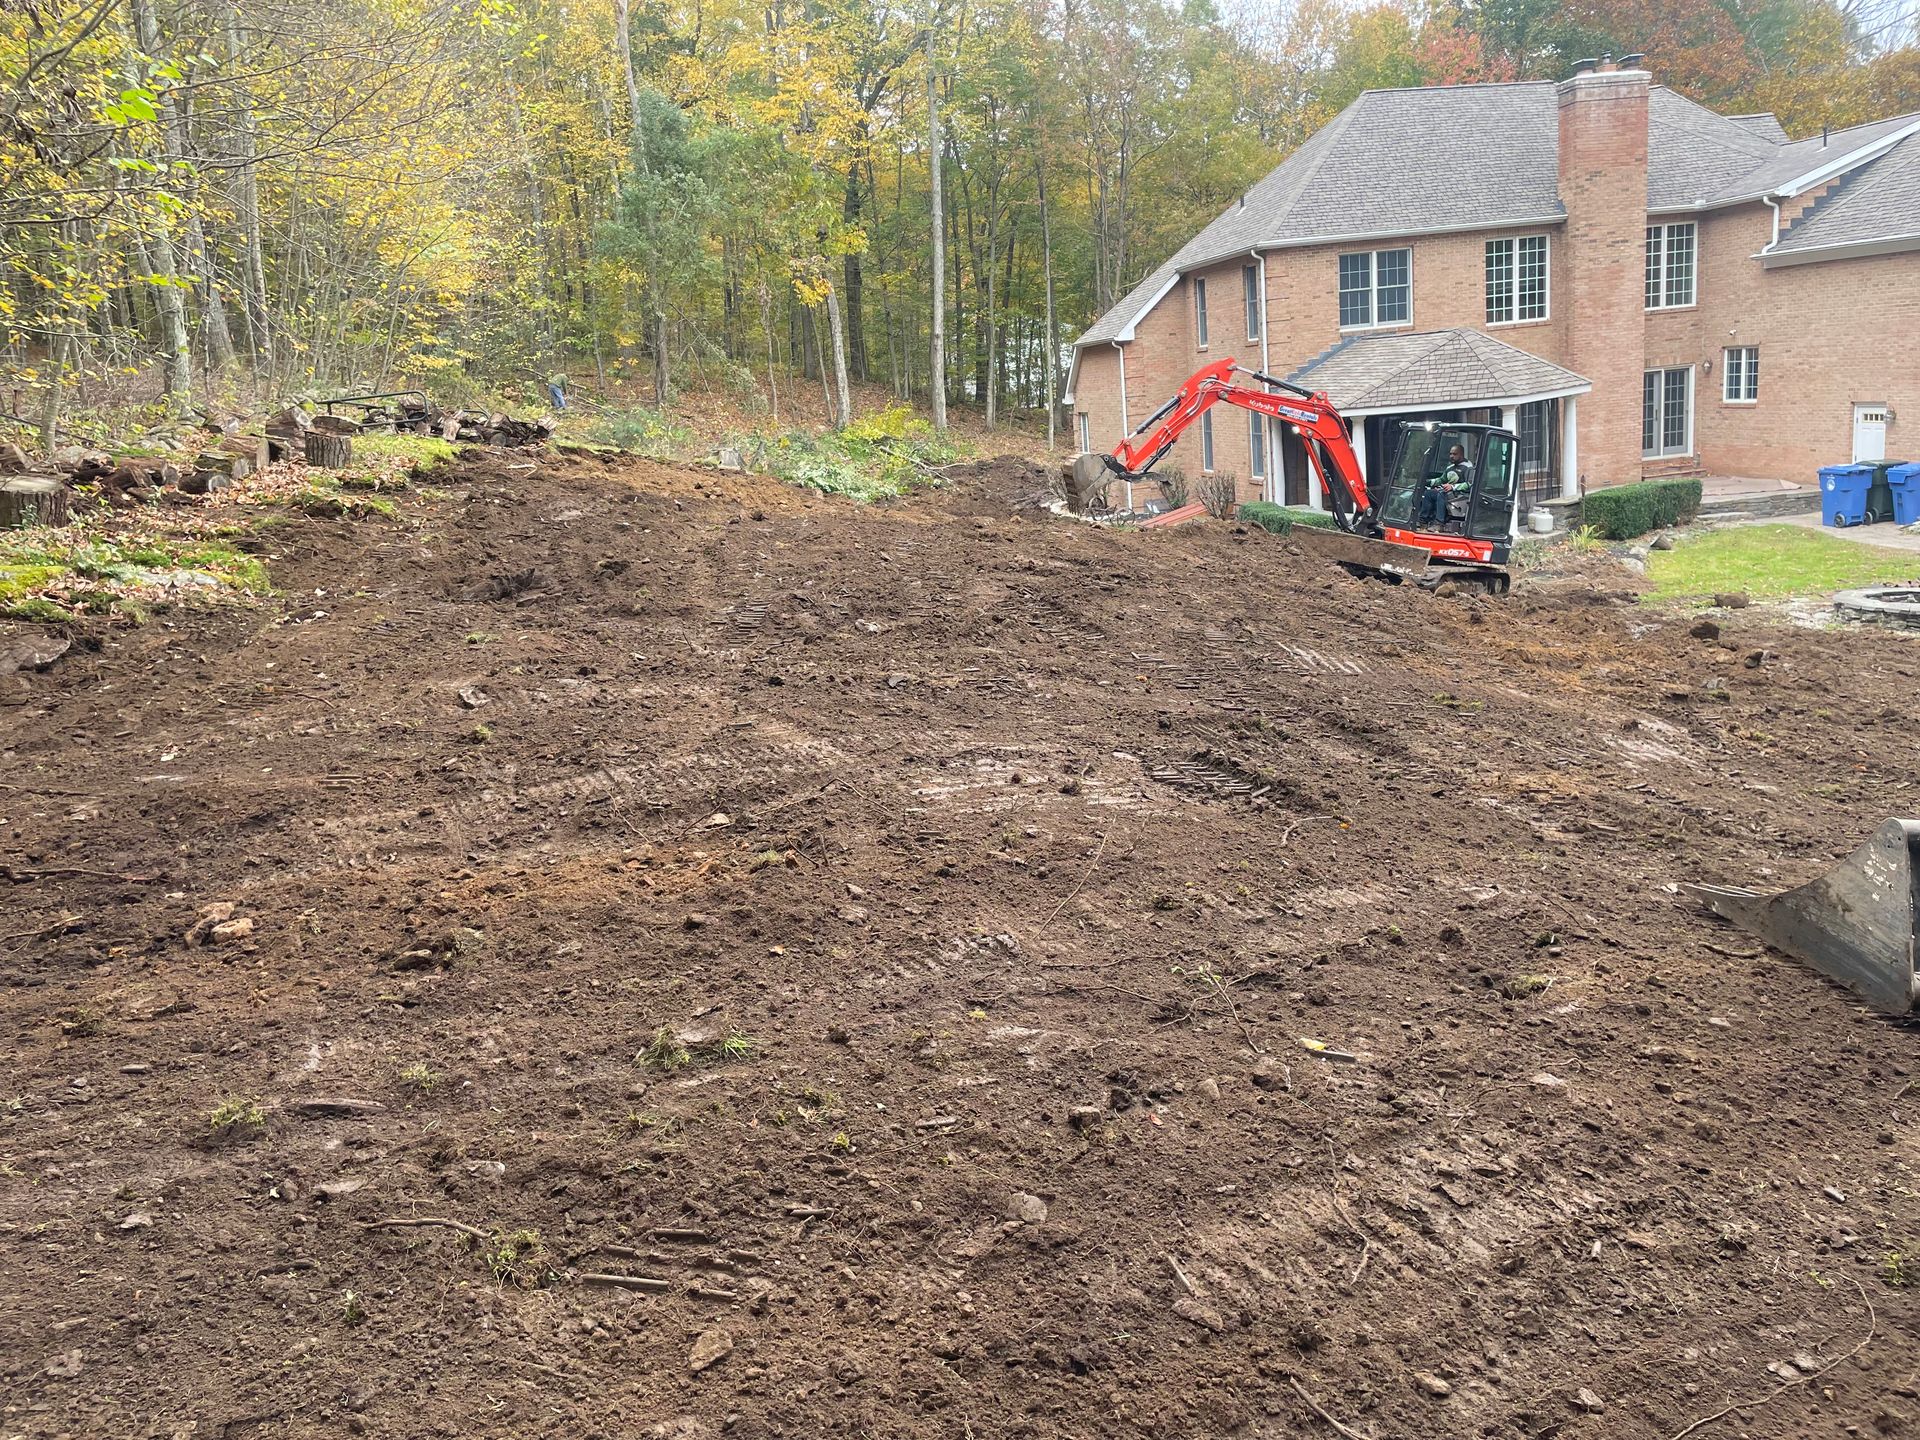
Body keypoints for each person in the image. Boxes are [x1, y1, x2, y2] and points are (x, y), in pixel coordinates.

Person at [1421, 443, 1473, 528]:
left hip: (1461, 494)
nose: (1452, 456)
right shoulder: (1450, 467)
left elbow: (1469, 484)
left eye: (1455, 454)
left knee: (1442, 494)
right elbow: (1441, 480)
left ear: (1461, 454)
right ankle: (1423, 521)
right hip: (1448, 492)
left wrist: (1452, 487)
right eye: (1450, 454)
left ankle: (1439, 523)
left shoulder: (1468, 467)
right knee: (1428, 493)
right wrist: (1428, 482)